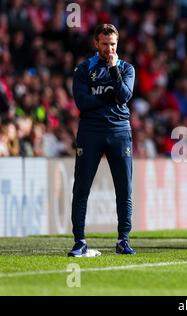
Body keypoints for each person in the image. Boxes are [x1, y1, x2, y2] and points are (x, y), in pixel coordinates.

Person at [68, 24, 136, 257]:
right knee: (81, 188)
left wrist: (114, 70)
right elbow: (82, 103)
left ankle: (123, 240)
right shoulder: (84, 69)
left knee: (124, 189)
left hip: (119, 132)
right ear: (96, 44)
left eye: (113, 44)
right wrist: (109, 97)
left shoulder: (126, 68)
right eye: (105, 44)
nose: (109, 49)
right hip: (91, 132)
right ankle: (79, 242)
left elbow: (125, 95)